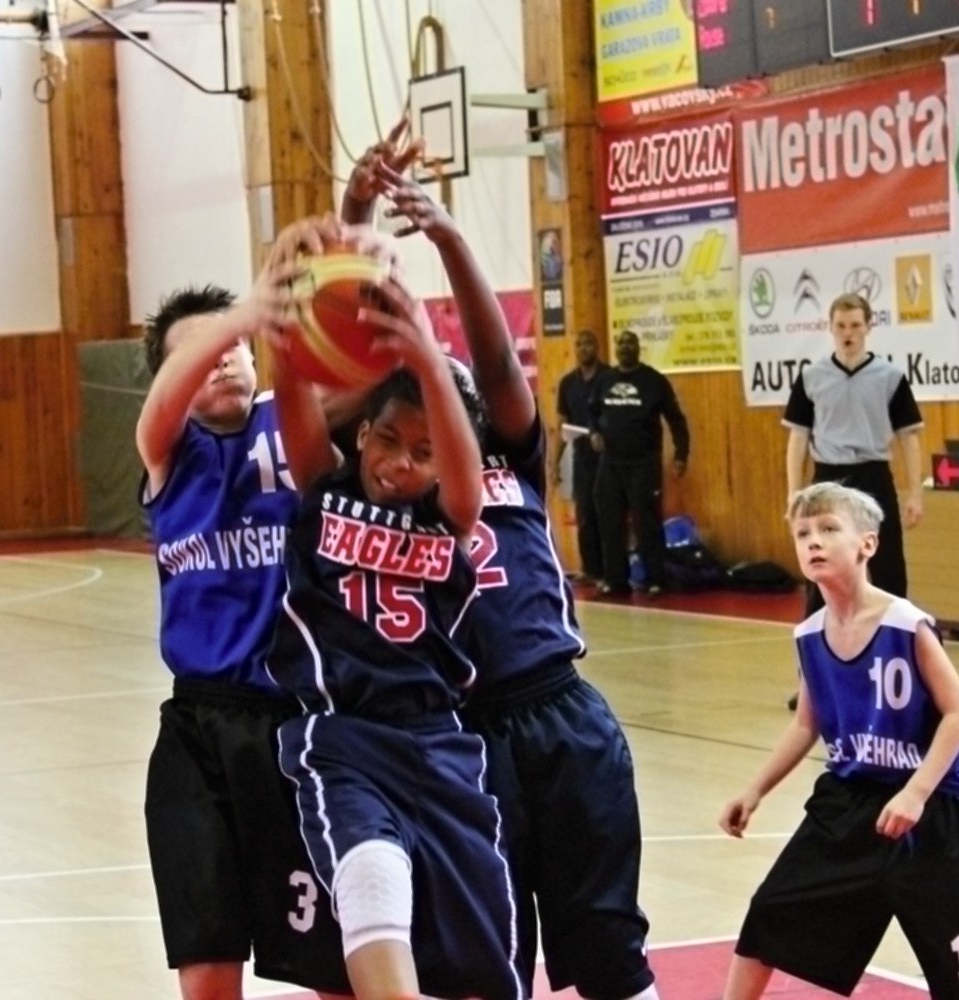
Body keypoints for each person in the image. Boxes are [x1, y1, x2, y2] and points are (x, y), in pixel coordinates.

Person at [361, 163, 658, 999]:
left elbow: (493, 361)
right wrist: (358, 228)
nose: (447, 406)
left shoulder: (513, 457)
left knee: (606, 939)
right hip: (461, 733)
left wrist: (451, 240)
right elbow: (355, 369)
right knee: (488, 956)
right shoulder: (391, 487)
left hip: (562, 712)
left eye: (458, 400)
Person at [266, 275, 527, 1000]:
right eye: (387, 440)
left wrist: (427, 353)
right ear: (361, 435)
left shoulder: (453, 514)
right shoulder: (324, 489)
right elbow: (292, 399)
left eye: (422, 451)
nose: (399, 463)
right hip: (344, 738)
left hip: (442, 744)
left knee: (483, 965)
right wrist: (285, 327)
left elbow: (462, 469)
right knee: (370, 877)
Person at [136, 220, 350, 1000]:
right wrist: (243, 310)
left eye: (235, 343)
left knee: (332, 964)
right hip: (199, 730)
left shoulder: (294, 426)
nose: (224, 354)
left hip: (300, 725)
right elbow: (160, 407)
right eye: (202, 349)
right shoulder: (167, 450)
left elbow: (361, 380)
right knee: (207, 965)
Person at [719, 482, 959, 1000]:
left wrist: (916, 792)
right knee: (769, 916)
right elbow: (806, 725)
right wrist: (755, 790)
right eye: (802, 533)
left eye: (828, 529)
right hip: (848, 806)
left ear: (867, 544)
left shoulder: (904, 624)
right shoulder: (809, 635)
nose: (813, 541)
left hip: (930, 810)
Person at [783, 292, 923, 610]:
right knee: (821, 563)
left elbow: (908, 437)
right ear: (831, 328)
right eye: (841, 326)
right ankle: (817, 633)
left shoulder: (890, 377)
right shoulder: (811, 378)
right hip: (828, 477)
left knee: (888, 565)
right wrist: (794, 493)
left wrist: (915, 493)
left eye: (855, 325)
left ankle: (894, 631)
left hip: (873, 474)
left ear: (868, 327)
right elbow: (798, 439)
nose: (848, 333)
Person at [589, 329, 690, 596]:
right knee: (610, 522)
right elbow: (592, 414)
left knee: (647, 523)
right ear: (616, 348)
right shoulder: (604, 380)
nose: (625, 347)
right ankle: (616, 580)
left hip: (643, 463)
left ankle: (655, 579)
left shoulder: (653, 381)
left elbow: (676, 420)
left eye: (630, 342)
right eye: (621, 342)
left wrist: (681, 455)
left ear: (637, 348)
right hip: (611, 463)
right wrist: (595, 432)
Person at [556, 331, 606, 586]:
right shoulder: (568, 383)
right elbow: (562, 424)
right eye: (579, 344)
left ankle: (610, 571)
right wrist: (555, 462)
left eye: (588, 343)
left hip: (608, 458)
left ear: (597, 347)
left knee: (606, 514)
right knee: (585, 514)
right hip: (582, 456)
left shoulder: (608, 378)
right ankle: (590, 569)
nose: (584, 348)